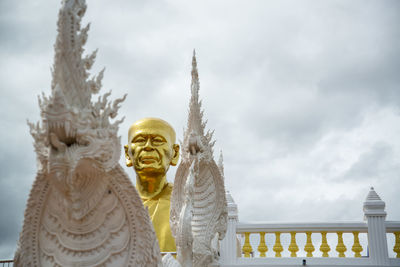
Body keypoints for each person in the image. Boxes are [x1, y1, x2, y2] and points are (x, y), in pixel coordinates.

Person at [124, 118, 180, 252]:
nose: (148, 146)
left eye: (158, 140)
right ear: (127, 154)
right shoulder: (112, 205)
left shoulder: (186, 203)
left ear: (175, 154)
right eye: (139, 140)